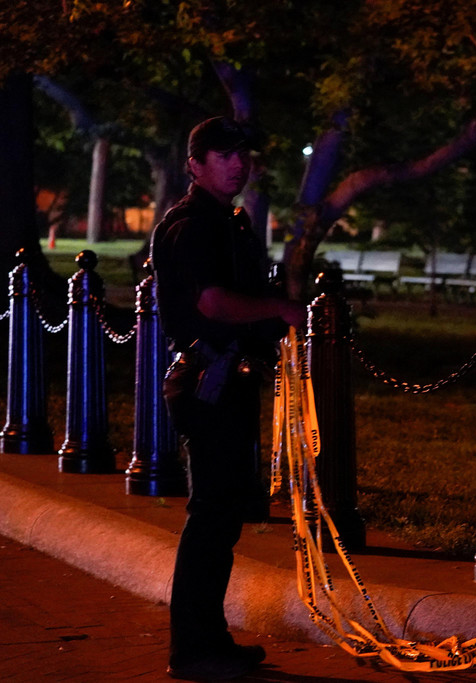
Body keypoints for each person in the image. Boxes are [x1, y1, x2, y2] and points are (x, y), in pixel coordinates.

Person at [150, 116, 306, 680]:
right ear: (194, 164)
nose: (238, 164)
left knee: (221, 520)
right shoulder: (194, 226)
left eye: (242, 154)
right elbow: (213, 303)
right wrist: (279, 309)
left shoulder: (226, 221)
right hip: (207, 383)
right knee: (210, 519)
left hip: (225, 380)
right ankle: (193, 650)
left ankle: (210, 640)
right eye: (223, 155)